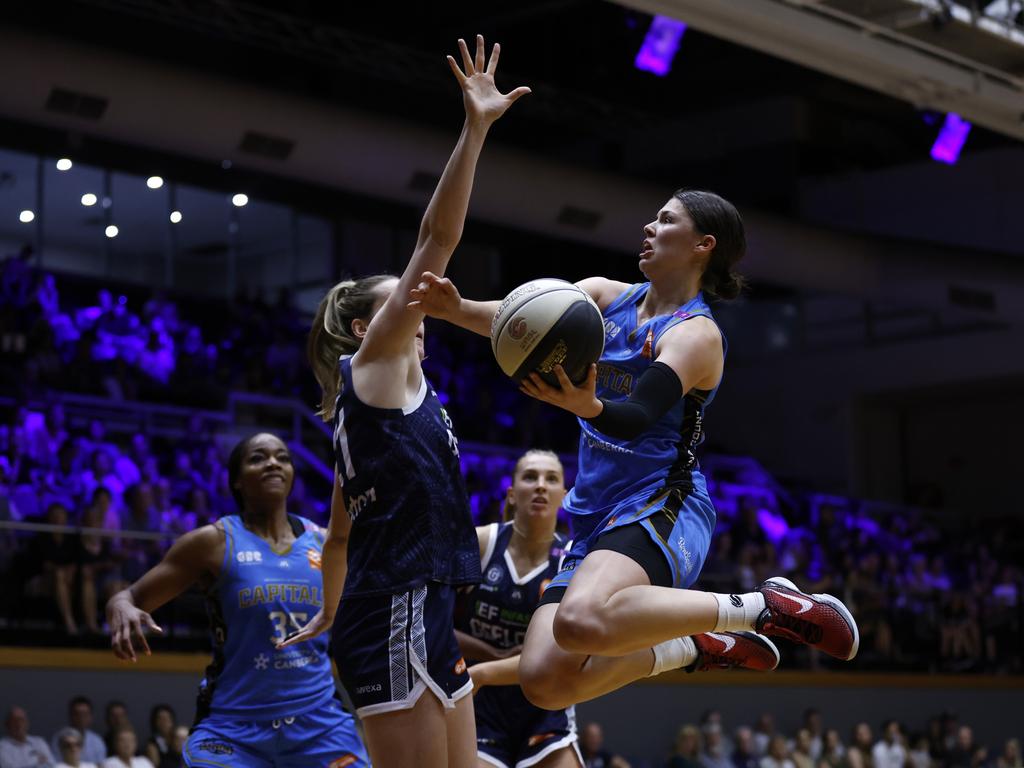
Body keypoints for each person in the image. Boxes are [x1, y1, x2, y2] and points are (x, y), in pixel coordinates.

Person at [409, 188, 858, 709]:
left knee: (580, 622)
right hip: (594, 515)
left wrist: (585, 406)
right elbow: (521, 320)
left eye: (666, 220)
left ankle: (765, 606)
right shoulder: (603, 297)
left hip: (661, 501)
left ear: (702, 245)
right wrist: (454, 308)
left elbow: (637, 417)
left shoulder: (696, 333)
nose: (648, 227)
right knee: (544, 682)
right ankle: (693, 647)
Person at [281, 34, 529, 768]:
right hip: (392, 609)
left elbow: (337, 535)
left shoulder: (395, 404)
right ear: (367, 327)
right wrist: (475, 128)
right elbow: (436, 235)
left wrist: (329, 608)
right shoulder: (379, 361)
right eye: (404, 303)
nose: (419, 305)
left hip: (415, 606)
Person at [104, 433, 369, 767]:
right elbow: (128, 597)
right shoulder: (212, 543)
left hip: (319, 726)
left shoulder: (325, 543)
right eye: (258, 457)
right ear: (237, 481)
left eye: (282, 457)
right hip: (233, 730)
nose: (273, 463)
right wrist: (121, 607)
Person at [454, 449, 582, 768]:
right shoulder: (482, 542)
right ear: (512, 493)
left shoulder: (572, 560)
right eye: (530, 477)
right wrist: (491, 654)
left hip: (546, 711)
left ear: (564, 496)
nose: (540, 485)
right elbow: (434, 624)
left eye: (551, 479)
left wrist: (492, 666)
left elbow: (567, 655)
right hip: (479, 706)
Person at [50, 698, 106, 766]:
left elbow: (101, 765)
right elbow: (57, 763)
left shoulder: (97, 740)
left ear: (90, 717)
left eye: (85, 714)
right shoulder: (60, 738)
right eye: (77, 714)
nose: (81, 718)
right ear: (70, 715)